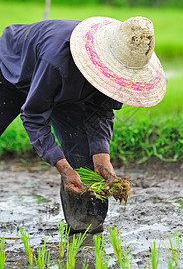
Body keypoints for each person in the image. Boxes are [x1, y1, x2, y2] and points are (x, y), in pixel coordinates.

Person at [0, 16, 166, 233]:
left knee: (84, 154)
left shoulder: (110, 76)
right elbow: (34, 115)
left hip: (66, 87)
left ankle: (85, 226)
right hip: (9, 71)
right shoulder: (57, 60)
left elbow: (101, 109)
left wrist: (102, 158)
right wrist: (64, 168)